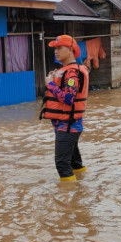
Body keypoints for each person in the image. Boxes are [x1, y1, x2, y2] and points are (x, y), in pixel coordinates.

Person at [40, 35, 89, 182]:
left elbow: (68, 98)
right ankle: (81, 187)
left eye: (59, 48)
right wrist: (53, 80)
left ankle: (69, 201)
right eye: (55, 48)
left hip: (68, 127)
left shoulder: (72, 72)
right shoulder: (66, 70)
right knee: (74, 164)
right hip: (68, 125)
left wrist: (50, 84)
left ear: (70, 50)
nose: (56, 51)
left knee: (62, 164)